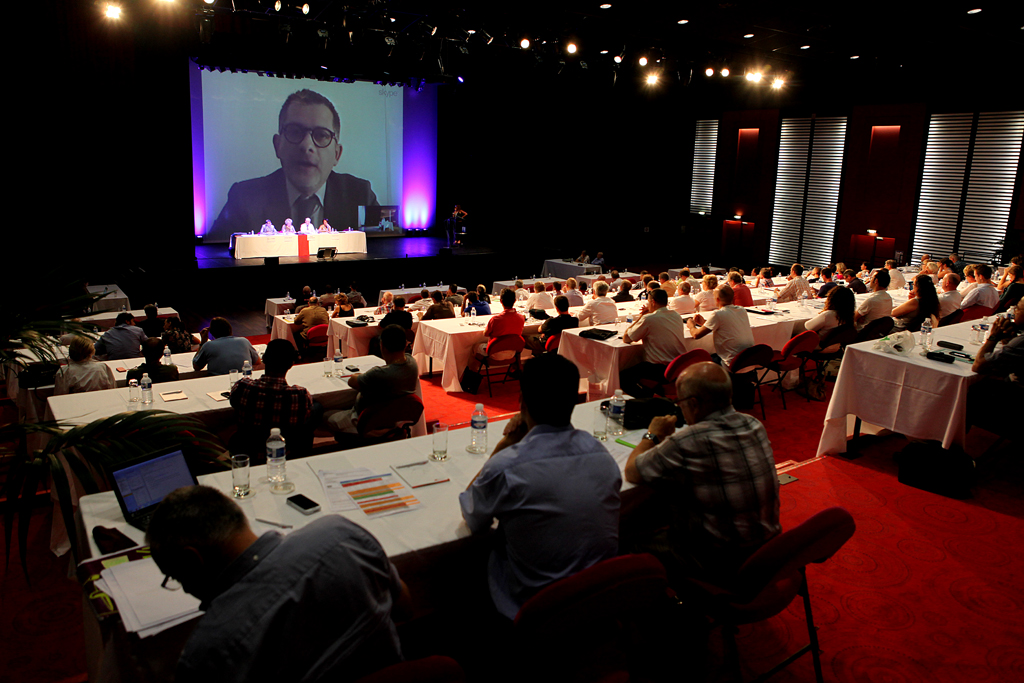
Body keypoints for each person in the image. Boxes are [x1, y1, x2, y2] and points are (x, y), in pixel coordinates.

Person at [146, 486, 407, 683]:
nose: (185, 589)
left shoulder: (208, 653)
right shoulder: (340, 534)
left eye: (176, 577)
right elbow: (404, 607)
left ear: (191, 561)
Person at [459, 353, 621, 619]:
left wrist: (505, 445)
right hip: (596, 601)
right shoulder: (601, 455)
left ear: (522, 402)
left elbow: (472, 514)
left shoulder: (508, 465)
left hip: (534, 610)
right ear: (574, 401)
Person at [623, 362, 780, 580]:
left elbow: (632, 471)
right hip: (768, 550)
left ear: (694, 403)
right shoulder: (753, 424)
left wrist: (652, 435)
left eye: (680, 402)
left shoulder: (688, 440)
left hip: (720, 560)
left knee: (625, 541)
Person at [210, 89, 378, 237]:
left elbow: (381, 250)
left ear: (337, 154)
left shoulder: (360, 195)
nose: (306, 145)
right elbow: (215, 255)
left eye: (321, 135)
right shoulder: (244, 199)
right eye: (295, 132)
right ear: (277, 146)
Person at [229, 339, 321, 453]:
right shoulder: (300, 394)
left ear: (264, 359)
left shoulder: (242, 387)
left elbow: (233, 403)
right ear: (291, 364)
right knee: (317, 407)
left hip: (249, 446)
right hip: (288, 444)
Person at [326, 326, 419, 434]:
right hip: (395, 419)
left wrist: (362, 375)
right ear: (405, 345)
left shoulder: (379, 374)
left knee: (324, 415)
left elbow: (352, 381)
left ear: (381, 345)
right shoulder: (412, 364)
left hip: (365, 421)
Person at [620, 289, 687, 397]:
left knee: (623, 377)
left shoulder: (649, 318)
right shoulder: (676, 315)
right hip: (678, 365)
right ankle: (655, 393)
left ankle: (649, 398)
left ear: (653, 302)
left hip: (658, 368)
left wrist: (641, 317)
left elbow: (627, 338)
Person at [686, 285, 754, 367]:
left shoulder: (718, 314)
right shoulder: (742, 310)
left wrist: (691, 325)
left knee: (696, 361)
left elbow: (696, 335)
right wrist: (704, 322)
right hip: (748, 359)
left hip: (731, 363)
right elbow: (726, 325)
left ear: (717, 300)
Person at [193, 317, 262, 375]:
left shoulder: (208, 346)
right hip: (243, 380)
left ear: (212, 333)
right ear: (230, 329)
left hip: (217, 381)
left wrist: (202, 343)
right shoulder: (244, 341)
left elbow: (196, 367)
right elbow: (257, 362)